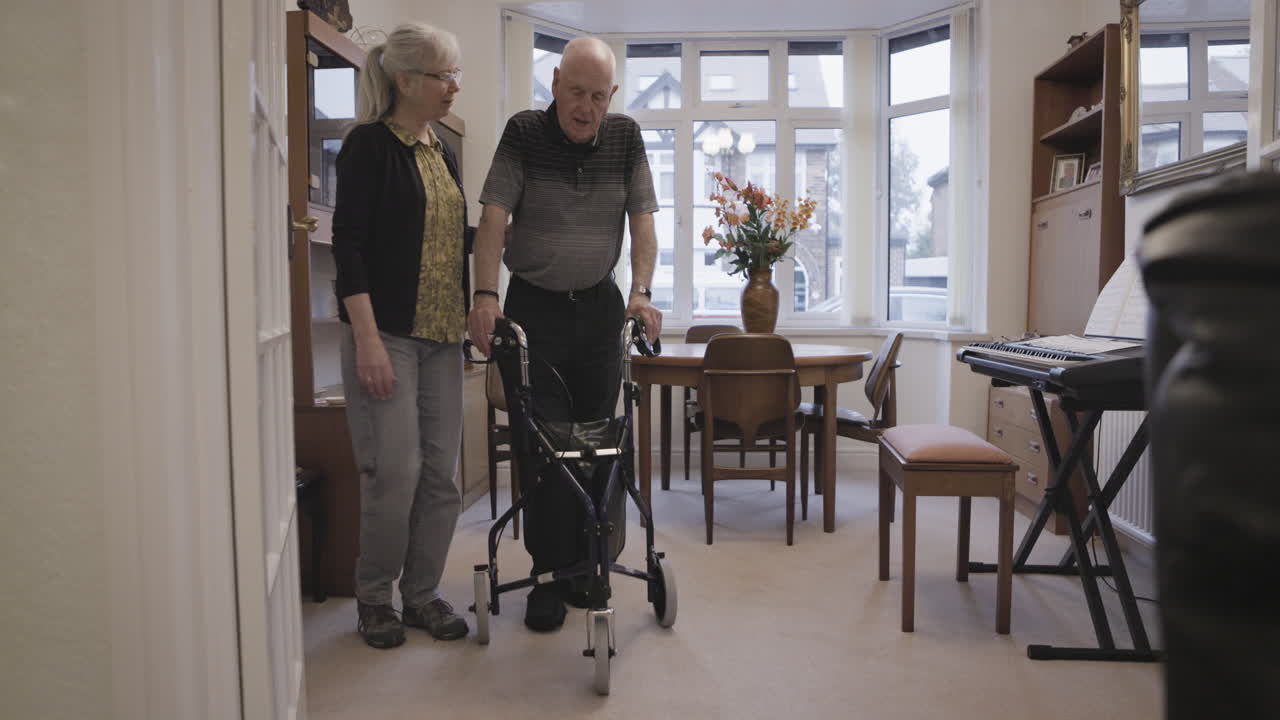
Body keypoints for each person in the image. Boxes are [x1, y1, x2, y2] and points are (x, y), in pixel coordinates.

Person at [467, 37, 662, 632]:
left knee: (601, 438)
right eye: (576, 91)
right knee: (545, 443)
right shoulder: (523, 132)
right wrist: (484, 296)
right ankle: (548, 578)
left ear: (613, 97)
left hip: (600, 307)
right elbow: (494, 220)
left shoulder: (626, 139)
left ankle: (589, 564)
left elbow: (645, 224)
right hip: (533, 310)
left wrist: (642, 292)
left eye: (598, 96)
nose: (586, 106)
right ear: (554, 82)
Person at [331, 21, 470, 649]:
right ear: (406, 80)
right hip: (386, 333)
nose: (452, 87)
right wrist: (367, 343)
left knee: (442, 474)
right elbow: (350, 248)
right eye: (443, 76)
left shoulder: (443, 149)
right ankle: (374, 598)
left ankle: (422, 595)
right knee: (395, 470)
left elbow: (449, 242)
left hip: (443, 336)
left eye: (454, 74)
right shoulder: (368, 146)